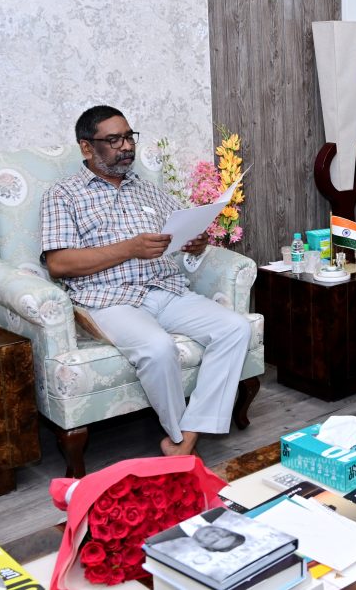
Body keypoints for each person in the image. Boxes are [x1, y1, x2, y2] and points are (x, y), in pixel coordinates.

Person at [40, 105, 251, 457]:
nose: (126, 146)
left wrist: (195, 242)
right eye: (114, 140)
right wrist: (129, 248)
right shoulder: (63, 195)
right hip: (109, 298)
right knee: (157, 348)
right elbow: (58, 264)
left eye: (128, 137)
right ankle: (180, 440)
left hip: (165, 288)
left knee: (235, 328)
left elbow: (178, 235)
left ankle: (188, 435)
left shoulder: (149, 190)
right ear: (87, 147)